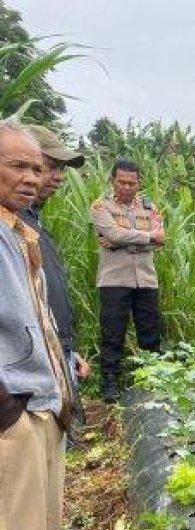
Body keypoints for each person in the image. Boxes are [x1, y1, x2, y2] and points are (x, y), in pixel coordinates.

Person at [0, 120, 89, 530]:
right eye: (18, 166)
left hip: (43, 402)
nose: (33, 177)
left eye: (37, 167)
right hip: (16, 410)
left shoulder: (19, 232)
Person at [19, 125, 90, 398]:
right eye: (49, 167)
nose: (58, 178)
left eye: (61, 170)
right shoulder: (10, 229)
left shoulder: (31, 223)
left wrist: (67, 350)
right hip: (29, 377)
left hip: (54, 355)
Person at [89, 159, 166, 403]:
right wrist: (147, 237)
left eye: (131, 183)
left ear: (139, 183)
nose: (126, 187)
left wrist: (122, 240)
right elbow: (112, 233)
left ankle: (152, 378)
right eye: (121, 182)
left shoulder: (150, 208)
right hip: (114, 280)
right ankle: (110, 383)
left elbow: (161, 238)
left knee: (150, 332)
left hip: (146, 279)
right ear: (112, 181)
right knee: (113, 332)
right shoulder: (100, 207)